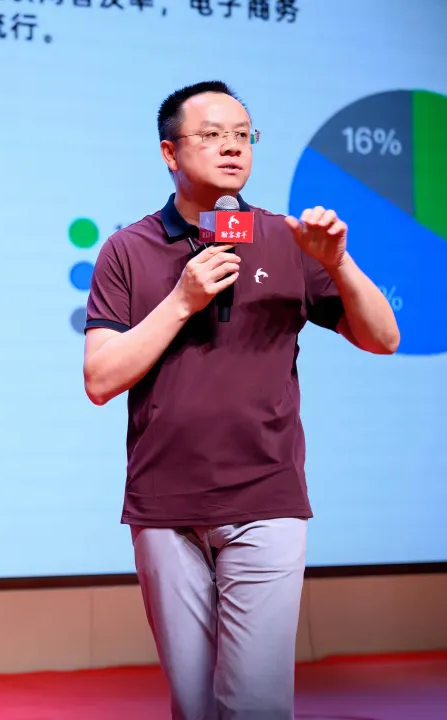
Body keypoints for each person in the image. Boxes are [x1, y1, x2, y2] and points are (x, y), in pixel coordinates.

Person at [81, 81, 400, 720]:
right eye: (211, 135)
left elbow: (382, 338)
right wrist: (181, 301)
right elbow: (100, 379)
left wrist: (338, 263)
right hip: (165, 505)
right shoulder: (128, 249)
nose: (232, 147)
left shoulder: (289, 239)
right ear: (170, 153)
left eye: (242, 135)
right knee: (195, 705)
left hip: (266, 498)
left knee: (256, 702)